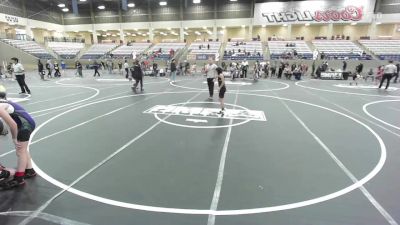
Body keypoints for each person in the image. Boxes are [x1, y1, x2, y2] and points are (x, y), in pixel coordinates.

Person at [0, 85, 37, 190]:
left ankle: (19, 178)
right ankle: (29, 170)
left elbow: (13, 125)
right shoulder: (3, 103)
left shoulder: (0, 106)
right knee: (23, 149)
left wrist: (14, 139)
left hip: (24, 125)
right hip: (25, 123)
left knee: (20, 150)